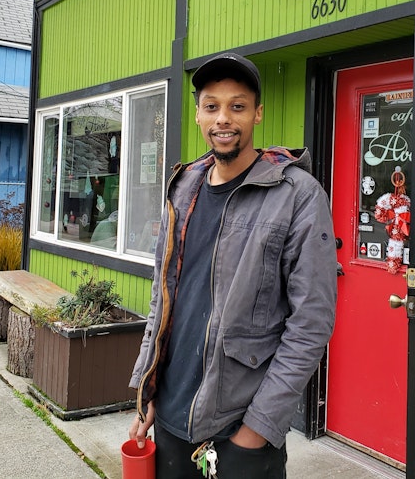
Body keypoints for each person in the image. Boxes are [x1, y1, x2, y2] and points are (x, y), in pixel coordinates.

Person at [128, 52, 338, 478]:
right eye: (212, 106)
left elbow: (311, 321)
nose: (224, 118)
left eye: (237, 106)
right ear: (199, 116)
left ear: (257, 113)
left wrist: (256, 431)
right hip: (169, 419)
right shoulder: (183, 186)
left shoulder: (297, 195)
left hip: (238, 433)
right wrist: (146, 389)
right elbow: (162, 298)